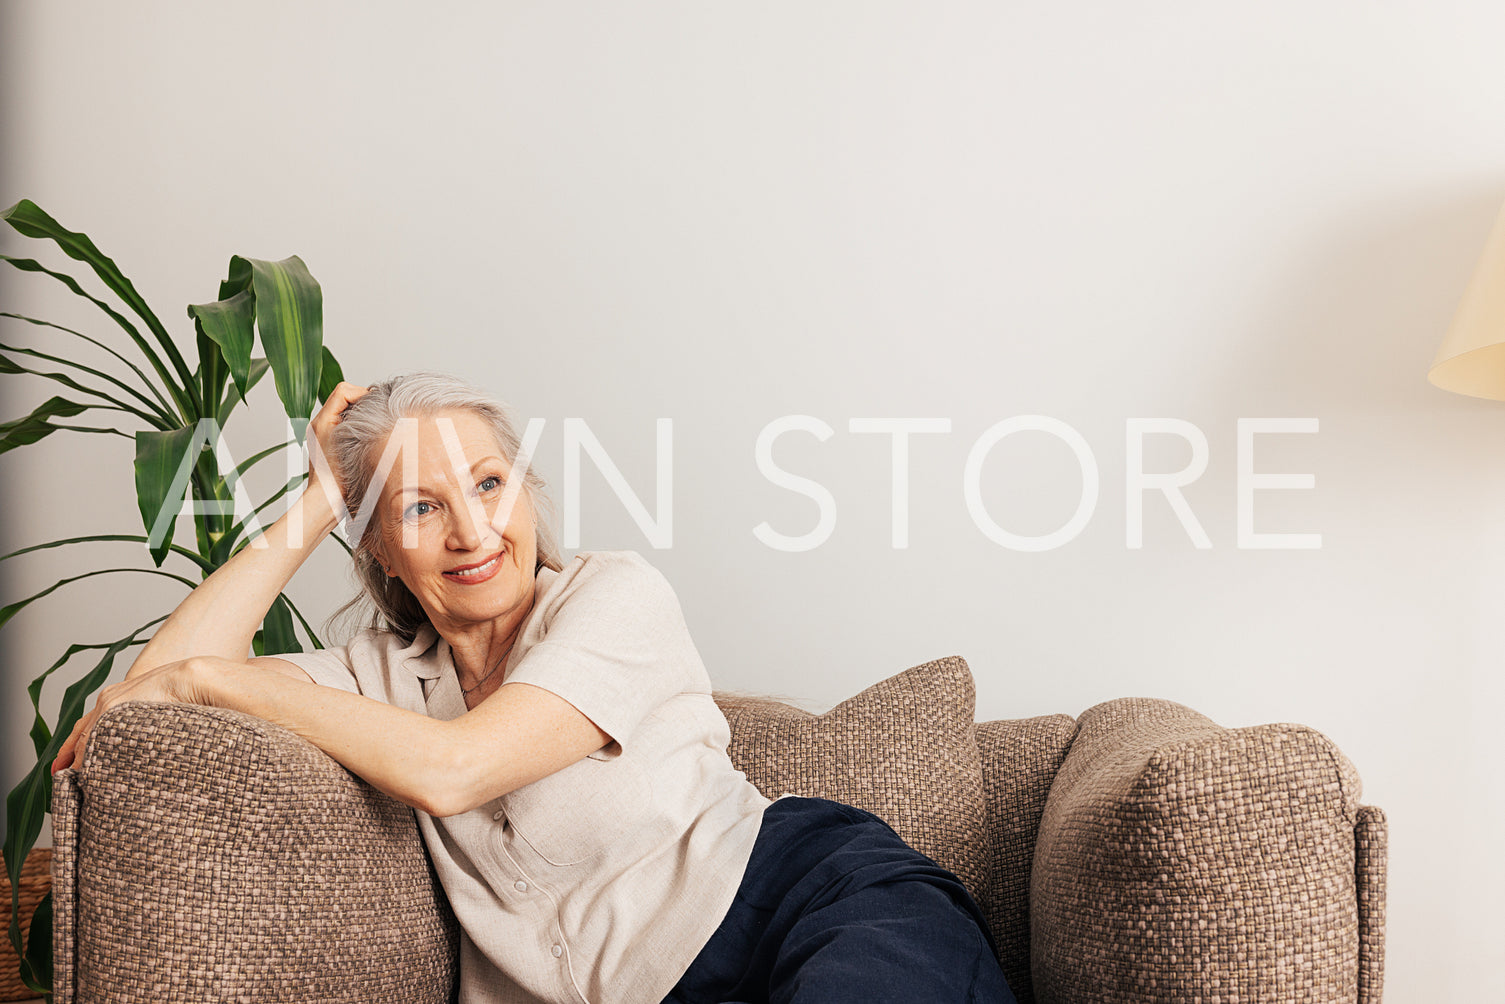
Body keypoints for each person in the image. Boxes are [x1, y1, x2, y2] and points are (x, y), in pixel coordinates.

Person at [52, 371, 1017, 1004]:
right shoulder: (378, 680)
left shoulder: (614, 596)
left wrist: (219, 680)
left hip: (806, 900)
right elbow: (140, 715)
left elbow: (454, 770)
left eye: (488, 486)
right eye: (421, 507)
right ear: (379, 548)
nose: (472, 532)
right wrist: (316, 504)